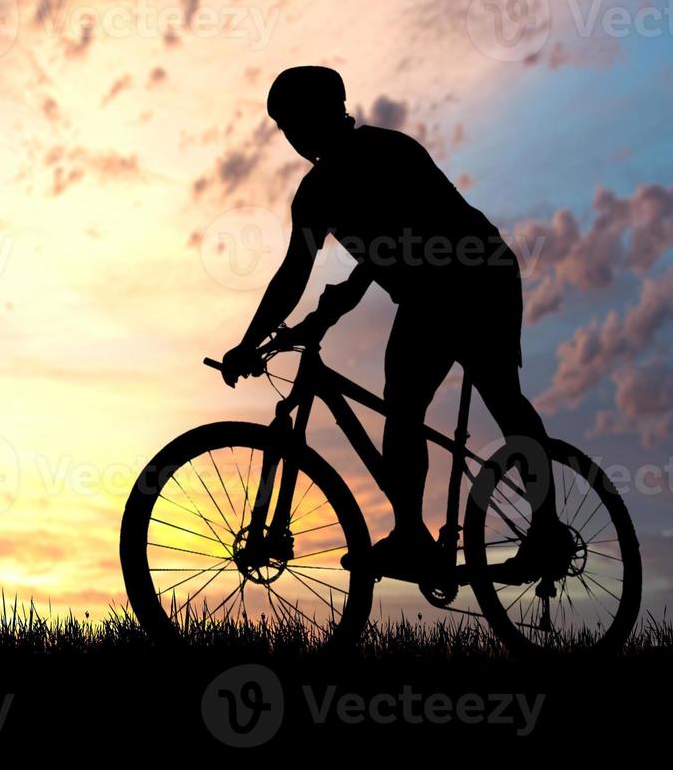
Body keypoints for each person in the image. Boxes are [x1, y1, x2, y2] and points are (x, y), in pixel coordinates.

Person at [219, 65, 561, 581]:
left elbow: (410, 232)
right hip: (425, 294)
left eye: (298, 120)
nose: (293, 135)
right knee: (402, 402)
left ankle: (547, 532)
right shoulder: (313, 195)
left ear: (333, 111)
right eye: (285, 126)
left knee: (499, 395)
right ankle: (411, 537)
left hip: (477, 271)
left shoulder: (388, 151)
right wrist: (253, 340)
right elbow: (295, 271)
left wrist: (335, 306)